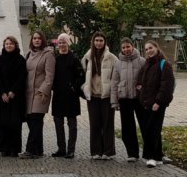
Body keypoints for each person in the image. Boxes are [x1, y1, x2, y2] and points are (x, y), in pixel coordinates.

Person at [137, 39, 175, 168]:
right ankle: (158, 156)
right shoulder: (146, 65)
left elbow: (167, 85)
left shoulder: (164, 64)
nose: (149, 51)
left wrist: (158, 102)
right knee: (153, 130)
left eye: (151, 48)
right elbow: (139, 81)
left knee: (151, 130)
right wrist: (139, 89)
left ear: (157, 48)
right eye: (146, 49)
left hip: (158, 104)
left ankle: (151, 157)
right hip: (146, 103)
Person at [81, 31, 119, 160]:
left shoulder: (112, 58)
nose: (98, 43)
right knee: (95, 124)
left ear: (104, 42)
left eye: (101, 40)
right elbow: (82, 74)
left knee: (108, 124)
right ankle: (96, 151)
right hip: (93, 96)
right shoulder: (87, 57)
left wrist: (115, 95)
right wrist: (84, 88)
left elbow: (117, 77)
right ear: (93, 42)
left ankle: (108, 152)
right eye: (96, 40)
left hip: (107, 96)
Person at [111, 37, 147, 162]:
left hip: (139, 98)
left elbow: (147, 79)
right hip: (124, 98)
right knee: (127, 127)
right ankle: (132, 153)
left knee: (145, 125)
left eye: (128, 46)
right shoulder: (118, 63)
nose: (126, 49)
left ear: (132, 46)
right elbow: (114, 82)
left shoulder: (142, 61)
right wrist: (114, 101)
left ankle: (149, 153)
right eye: (123, 47)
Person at [21, 30, 55, 159]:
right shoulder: (29, 54)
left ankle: (30, 150)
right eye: (34, 38)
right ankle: (38, 150)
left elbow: (50, 76)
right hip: (28, 93)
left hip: (40, 93)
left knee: (36, 120)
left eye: (39, 38)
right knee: (31, 121)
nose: (36, 40)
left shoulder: (48, 55)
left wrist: (44, 90)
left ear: (43, 40)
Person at [51, 33, 83, 158]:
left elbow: (81, 76)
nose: (62, 45)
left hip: (71, 95)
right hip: (58, 95)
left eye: (64, 42)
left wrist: (74, 87)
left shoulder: (74, 59)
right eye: (60, 42)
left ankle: (71, 149)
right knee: (58, 122)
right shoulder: (55, 59)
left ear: (68, 44)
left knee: (72, 123)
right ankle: (61, 148)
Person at [0, 35, 26, 158]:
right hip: (2, 97)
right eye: (7, 44)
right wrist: (2, 93)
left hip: (16, 97)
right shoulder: (0, 59)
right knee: (3, 124)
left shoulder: (20, 60)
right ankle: (4, 148)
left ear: (15, 45)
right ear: (4, 46)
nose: (9, 45)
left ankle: (14, 149)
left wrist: (13, 91)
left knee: (15, 124)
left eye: (11, 44)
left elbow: (22, 77)